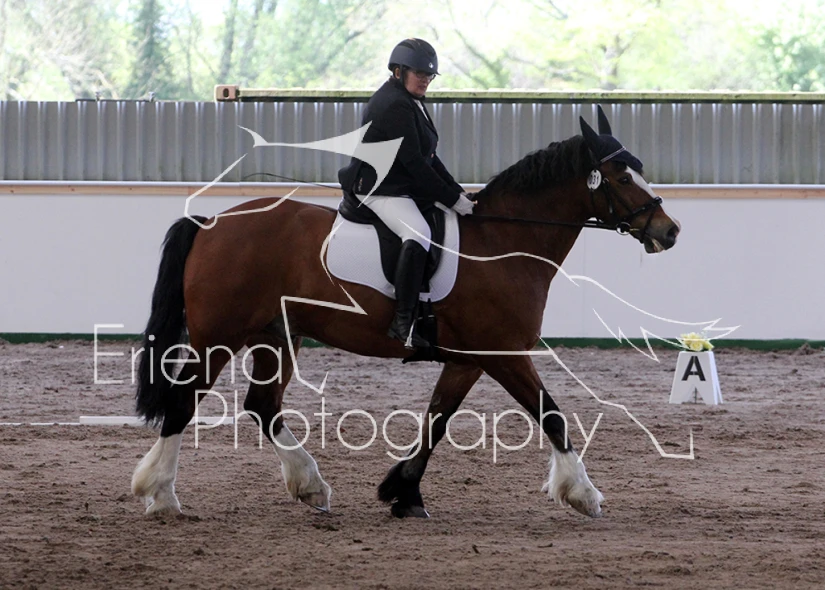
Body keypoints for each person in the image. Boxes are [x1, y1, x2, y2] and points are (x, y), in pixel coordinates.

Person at [338, 38, 475, 349]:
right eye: (420, 74)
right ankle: (403, 320)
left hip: (399, 186)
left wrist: (457, 193)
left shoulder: (411, 101)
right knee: (419, 234)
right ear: (399, 72)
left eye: (429, 76)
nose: (425, 80)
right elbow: (414, 164)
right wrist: (452, 199)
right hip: (379, 189)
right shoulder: (394, 105)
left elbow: (430, 158)